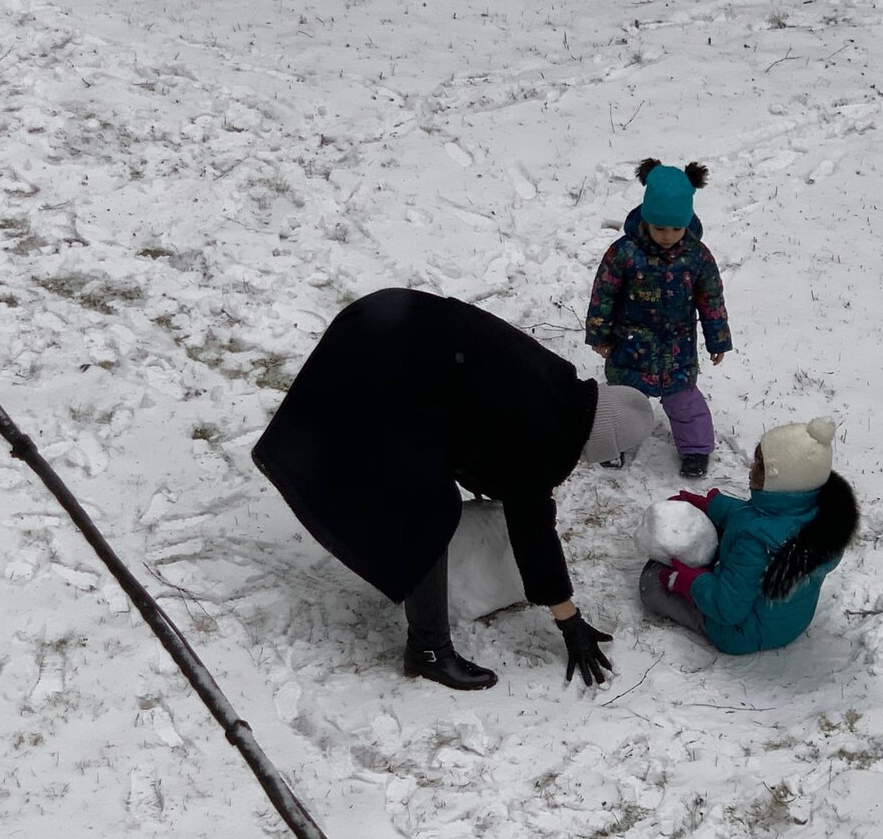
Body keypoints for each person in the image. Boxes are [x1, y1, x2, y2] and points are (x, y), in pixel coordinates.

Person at [252, 288, 654, 691]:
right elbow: (533, 533)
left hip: (382, 319)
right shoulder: (542, 436)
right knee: (427, 509)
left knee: (425, 472)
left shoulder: (557, 385)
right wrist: (569, 620)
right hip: (383, 359)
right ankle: (429, 650)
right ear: (599, 440)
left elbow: (480, 426)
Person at [640, 417, 859, 654]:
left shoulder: (755, 542)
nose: (751, 469)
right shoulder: (816, 513)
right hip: (785, 621)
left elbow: (727, 609)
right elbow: (752, 517)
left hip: (741, 632)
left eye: (761, 467)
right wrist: (712, 505)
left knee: (651, 582)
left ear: (782, 480)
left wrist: (692, 581)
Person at [585, 158, 733, 478]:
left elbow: (711, 299)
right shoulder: (624, 253)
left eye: (676, 228)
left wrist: (718, 338)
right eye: (659, 227)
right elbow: (604, 294)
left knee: (684, 404)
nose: (667, 236)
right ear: (646, 218)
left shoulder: (697, 256)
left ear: (688, 221)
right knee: (622, 400)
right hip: (630, 347)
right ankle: (613, 442)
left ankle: (695, 450)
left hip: (676, 350)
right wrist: (599, 334)